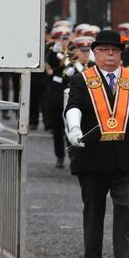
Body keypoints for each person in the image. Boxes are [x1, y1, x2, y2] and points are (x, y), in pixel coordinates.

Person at [64, 29, 129, 258]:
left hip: (125, 156)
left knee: (127, 208)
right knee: (94, 210)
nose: (110, 55)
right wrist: (74, 130)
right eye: (104, 50)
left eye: (114, 50)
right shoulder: (83, 79)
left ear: (121, 54)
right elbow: (74, 108)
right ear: (95, 53)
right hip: (93, 156)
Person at [44, 26, 72, 168]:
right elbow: (49, 65)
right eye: (61, 39)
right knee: (57, 126)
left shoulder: (74, 52)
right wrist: (55, 52)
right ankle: (59, 156)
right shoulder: (53, 52)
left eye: (66, 38)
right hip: (56, 92)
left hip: (71, 90)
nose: (64, 41)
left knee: (72, 125)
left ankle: (73, 155)